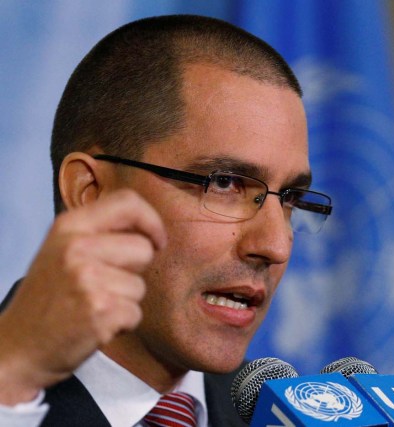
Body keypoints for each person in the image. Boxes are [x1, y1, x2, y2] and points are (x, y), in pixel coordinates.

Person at [0, 15, 332, 426]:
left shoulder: (272, 416)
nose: (275, 245)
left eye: (290, 199)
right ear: (91, 193)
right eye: (225, 183)